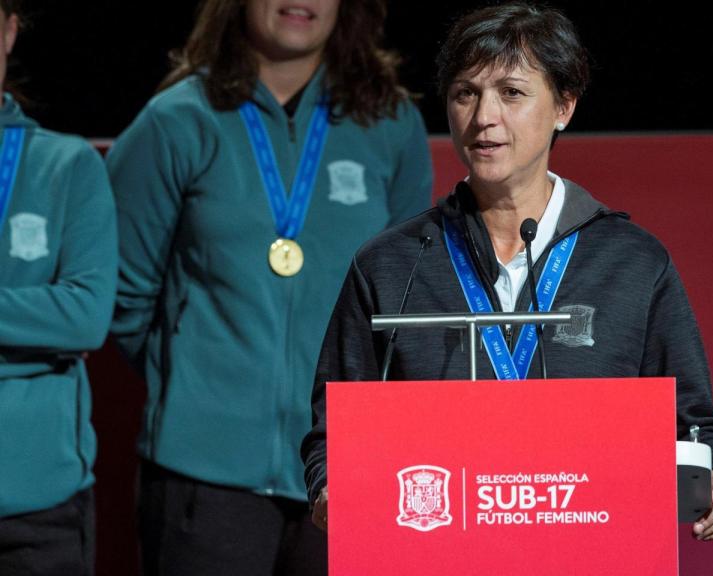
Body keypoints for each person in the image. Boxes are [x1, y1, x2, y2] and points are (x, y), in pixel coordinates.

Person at [301, 1, 713, 544]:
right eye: (466, 93)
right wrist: (330, 484)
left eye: (511, 93)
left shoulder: (633, 262)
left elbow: (695, 425)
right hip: (439, 550)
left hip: (588, 548)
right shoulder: (393, 263)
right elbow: (333, 430)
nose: (484, 116)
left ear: (564, 106)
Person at [106, 0, 433, 573]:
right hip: (203, 474)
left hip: (346, 471)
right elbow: (123, 294)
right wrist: (193, 381)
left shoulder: (390, 123)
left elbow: (405, 299)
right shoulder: (176, 119)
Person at [0, 1, 117, 574]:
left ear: (9, 31)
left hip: (34, 504)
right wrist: (28, 324)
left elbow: (85, 314)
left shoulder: (66, 165)